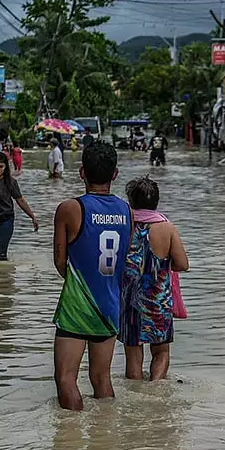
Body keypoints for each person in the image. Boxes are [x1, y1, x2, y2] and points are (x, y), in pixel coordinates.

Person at [52, 141, 133, 411]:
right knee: (101, 378)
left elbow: (60, 262)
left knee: (66, 379)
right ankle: (106, 435)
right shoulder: (127, 212)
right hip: (110, 304)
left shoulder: (70, 209)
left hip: (78, 305)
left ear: (81, 172)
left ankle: (70, 441)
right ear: (115, 174)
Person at [119, 176, 189, 381]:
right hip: (158, 300)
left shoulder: (124, 225)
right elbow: (183, 264)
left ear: (131, 200)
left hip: (129, 299)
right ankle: (156, 390)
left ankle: (136, 393)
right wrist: (162, 267)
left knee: (133, 356)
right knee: (161, 351)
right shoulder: (166, 228)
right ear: (156, 201)